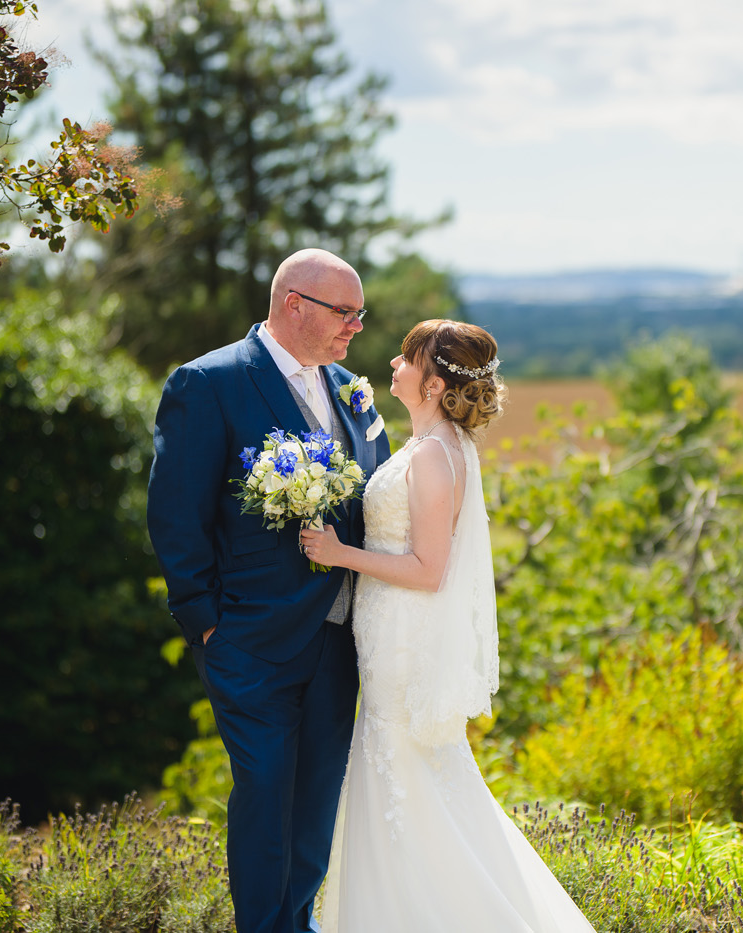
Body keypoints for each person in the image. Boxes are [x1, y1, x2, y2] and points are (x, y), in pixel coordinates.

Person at [299, 320, 596, 931]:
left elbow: (429, 569)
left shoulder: (435, 456)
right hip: (389, 630)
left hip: (403, 638)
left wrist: (338, 553)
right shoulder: (434, 445)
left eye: (406, 358)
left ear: (432, 384)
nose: (393, 363)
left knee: (402, 772)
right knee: (409, 776)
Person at [147, 248, 392, 933]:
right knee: (264, 795)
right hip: (248, 640)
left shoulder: (349, 390)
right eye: (345, 312)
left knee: (316, 801)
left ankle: (298, 922)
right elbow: (175, 514)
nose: (355, 327)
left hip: (340, 638)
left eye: (359, 313)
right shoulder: (209, 382)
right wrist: (205, 624)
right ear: (294, 304)